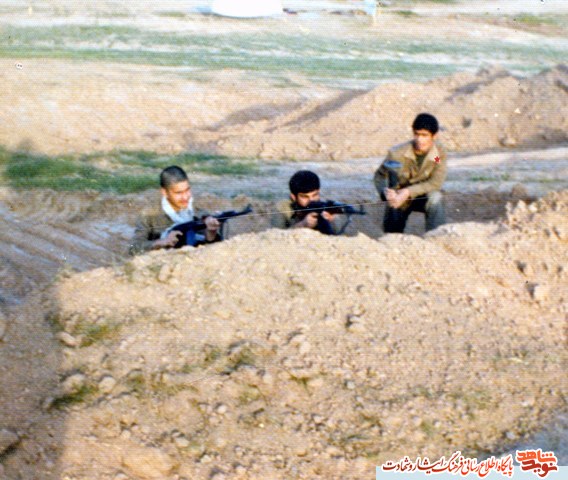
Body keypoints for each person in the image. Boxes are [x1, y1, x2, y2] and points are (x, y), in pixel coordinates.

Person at [374, 113, 447, 233]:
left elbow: (436, 182)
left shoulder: (437, 155)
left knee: (436, 197)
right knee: (392, 233)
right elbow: (379, 176)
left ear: (434, 136)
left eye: (424, 135)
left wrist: (408, 192)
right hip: (399, 198)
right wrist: (385, 193)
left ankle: (436, 236)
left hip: (423, 195)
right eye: (417, 134)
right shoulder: (397, 154)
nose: (419, 140)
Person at [128, 166, 221, 255]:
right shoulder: (150, 215)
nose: (185, 197)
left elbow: (210, 247)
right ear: (165, 192)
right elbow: (133, 248)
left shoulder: (196, 211)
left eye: (187, 190)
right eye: (179, 193)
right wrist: (162, 242)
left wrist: (211, 232)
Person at [271, 170, 337, 234]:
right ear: (293, 197)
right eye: (305, 197)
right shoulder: (283, 209)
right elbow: (274, 235)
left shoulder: (325, 207)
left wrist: (333, 221)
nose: (311, 200)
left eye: (314, 195)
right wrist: (302, 225)